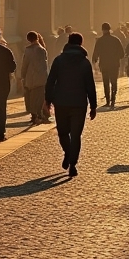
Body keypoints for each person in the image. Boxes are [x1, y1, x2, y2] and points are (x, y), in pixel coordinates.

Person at [44, 31, 97, 177]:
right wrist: (93, 106)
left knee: (62, 133)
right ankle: (73, 163)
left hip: (61, 102)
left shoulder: (59, 60)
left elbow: (50, 81)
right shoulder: (84, 62)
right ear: (81, 43)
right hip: (79, 103)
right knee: (76, 135)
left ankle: (68, 153)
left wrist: (48, 100)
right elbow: (90, 85)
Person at [92, 22, 124, 108]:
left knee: (106, 82)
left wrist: (94, 61)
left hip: (104, 64)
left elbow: (95, 53)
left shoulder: (100, 41)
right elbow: (122, 54)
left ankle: (107, 101)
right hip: (114, 64)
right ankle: (113, 100)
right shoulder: (116, 40)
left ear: (102, 30)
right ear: (110, 29)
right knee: (114, 82)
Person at [20, 31, 49, 123]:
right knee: (39, 97)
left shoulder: (27, 50)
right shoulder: (42, 50)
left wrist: (23, 75)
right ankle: (39, 115)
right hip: (40, 77)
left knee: (31, 97)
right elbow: (44, 65)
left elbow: (25, 64)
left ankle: (34, 115)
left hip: (30, 77)